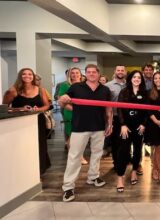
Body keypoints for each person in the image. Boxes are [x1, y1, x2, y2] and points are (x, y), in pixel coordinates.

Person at [59, 64, 113, 202]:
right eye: (88, 72)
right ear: (86, 74)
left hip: (99, 127)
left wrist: (110, 123)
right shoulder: (76, 87)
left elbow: (108, 108)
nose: (91, 74)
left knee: (96, 154)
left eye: (94, 72)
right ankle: (68, 187)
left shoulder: (105, 89)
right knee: (74, 156)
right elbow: (63, 103)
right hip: (79, 127)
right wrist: (69, 105)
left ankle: (93, 177)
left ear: (98, 73)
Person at [3, 68, 51, 176]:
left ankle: (39, 172)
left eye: (30, 74)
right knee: (24, 148)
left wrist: (38, 109)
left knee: (40, 146)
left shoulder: (40, 90)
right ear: (20, 76)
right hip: (20, 124)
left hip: (38, 121)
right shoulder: (12, 91)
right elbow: (4, 108)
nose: (27, 76)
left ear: (33, 76)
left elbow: (46, 105)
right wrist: (21, 109)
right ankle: (25, 172)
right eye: (24, 74)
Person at [116, 70, 148, 192]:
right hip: (126, 127)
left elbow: (146, 111)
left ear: (141, 80)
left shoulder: (144, 93)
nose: (136, 79)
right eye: (134, 77)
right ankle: (120, 177)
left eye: (139, 77)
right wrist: (122, 124)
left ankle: (134, 171)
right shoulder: (124, 92)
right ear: (130, 79)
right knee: (123, 151)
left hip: (139, 127)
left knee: (138, 150)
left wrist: (143, 124)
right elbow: (119, 109)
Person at [57, 67, 88, 165]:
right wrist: (76, 110)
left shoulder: (85, 85)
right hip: (71, 113)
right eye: (72, 73)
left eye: (77, 73)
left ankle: (79, 155)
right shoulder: (64, 85)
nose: (75, 75)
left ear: (80, 74)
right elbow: (61, 100)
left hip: (84, 114)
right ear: (69, 75)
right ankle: (76, 157)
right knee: (72, 136)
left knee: (82, 136)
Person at [104, 65, 127, 170]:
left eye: (122, 70)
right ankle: (116, 163)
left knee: (125, 141)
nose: (120, 72)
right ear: (115, 71)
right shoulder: (108, 86)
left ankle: (124, 161)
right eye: (118, 70)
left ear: (125, 72)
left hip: (127, 117)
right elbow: (105, 103)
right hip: (114, 117)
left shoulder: (129, 85)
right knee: (115, 142)